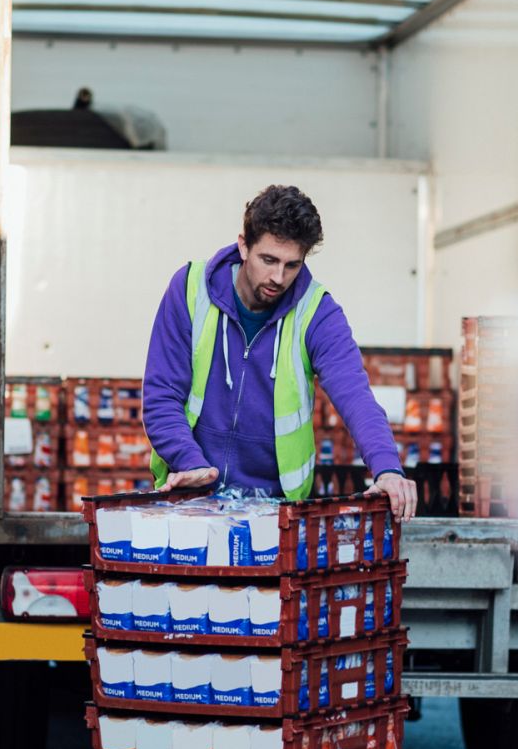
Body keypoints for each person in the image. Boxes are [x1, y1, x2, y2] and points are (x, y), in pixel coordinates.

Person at [143, 184, 417, 519]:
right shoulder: (189, 289)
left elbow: (355, 395)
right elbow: (161, 396)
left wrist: (387, 468)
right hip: (189, 501)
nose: (278, 277)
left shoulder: (317, 312)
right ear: (244, 246)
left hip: (276, 513)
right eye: (268, 260)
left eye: (292, 265)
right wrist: (191, 463)